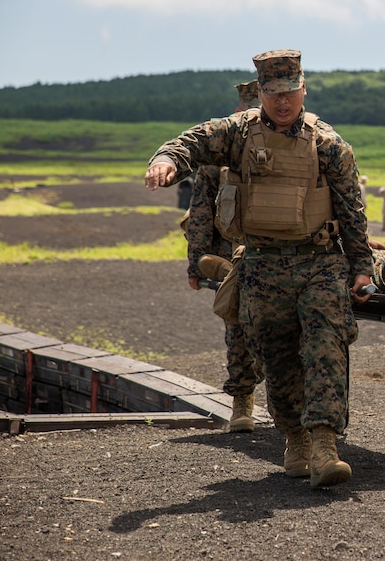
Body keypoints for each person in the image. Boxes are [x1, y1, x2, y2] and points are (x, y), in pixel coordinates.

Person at [144, 49, 373, 489]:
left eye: (289, 92)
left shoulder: (329, 145)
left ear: (303, 89)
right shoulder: (237, 134)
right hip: (263, 266)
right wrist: (167, 160)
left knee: (326, 345)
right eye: (272, 93)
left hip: (319, 262)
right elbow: (192, 140)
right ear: (261, 93)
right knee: (278, 356)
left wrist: (361, 267)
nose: (282, 102)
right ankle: (295, 439)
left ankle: (326, 446)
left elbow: (352, 211)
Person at [182, 81, 264, 433]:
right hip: (232, 258)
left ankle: (283, 407)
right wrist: (197, 263)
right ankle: (242, 403)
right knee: (237, 328)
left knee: (281, 332)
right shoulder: (218, 159)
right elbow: (200, 211)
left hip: (278, 255)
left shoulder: (296, 147)